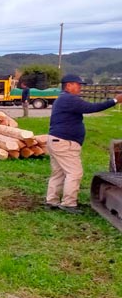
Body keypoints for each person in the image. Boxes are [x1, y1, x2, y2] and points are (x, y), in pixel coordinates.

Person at [45, 74, 122, 213]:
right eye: (78, 84)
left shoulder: (63, 99)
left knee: (59, 173)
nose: (80, 87)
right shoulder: (69, 99)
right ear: (69, 85)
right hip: (65, 142)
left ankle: (52, 200)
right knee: (74, 172)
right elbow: (92, 107)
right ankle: (69, 203)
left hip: (57, 140)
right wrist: (115, 100)